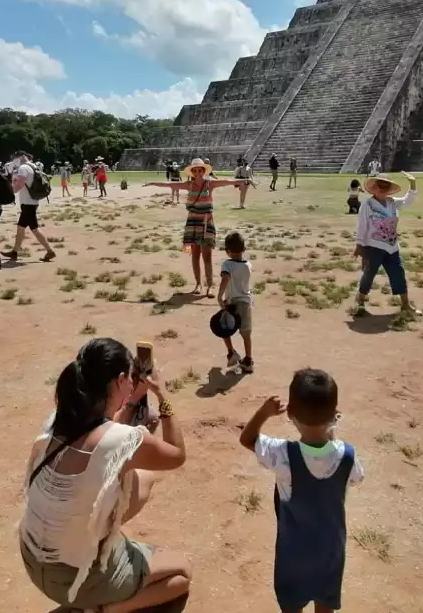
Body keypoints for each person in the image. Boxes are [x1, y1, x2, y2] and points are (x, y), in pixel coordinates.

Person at [20, 338, 191, 612]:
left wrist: (132, 400)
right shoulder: (122, 440)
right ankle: (104, 609)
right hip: (78, 580)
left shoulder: (58, 419)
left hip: (34, 562)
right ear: (122, 378)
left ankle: (109, 566)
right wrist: (163, 394)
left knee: (136, 479)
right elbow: (176, 454)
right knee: (181, 574)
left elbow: (102, 436)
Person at [239, 369, 364, 613]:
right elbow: (356, 479)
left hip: (292, 552)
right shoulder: (347, 455)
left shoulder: (281, 454)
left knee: (291, 605)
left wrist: (264, 413)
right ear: (335, 414)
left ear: (291, 414)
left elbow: (247, 439)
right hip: (330, 549)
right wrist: (331, 431)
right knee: (325, 603)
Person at [144, 158, 250, 297]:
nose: (198, 172)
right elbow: (170, 184)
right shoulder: (189, 185)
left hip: (207, 222)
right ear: (192, 172)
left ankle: (210, 285)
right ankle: (198, 284)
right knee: (195, 255)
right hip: (193, 222)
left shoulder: (209, 184)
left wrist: (244, 181)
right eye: (195, 170)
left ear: (204, 171)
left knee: (207, 255)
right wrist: (152, 183)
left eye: (200, 170)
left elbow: (228, 182)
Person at [354, 173, 421, 316]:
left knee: (398, 273)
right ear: (374, 188)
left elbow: (407, 201)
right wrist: (359, 245)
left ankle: (405, 304)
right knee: (369, 273)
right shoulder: (367, 205)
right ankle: (360, 299)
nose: (383, 189)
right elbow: (362, 225)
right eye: (380, 185)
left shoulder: (392, 202)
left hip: (391, 246)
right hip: (373, 247)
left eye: (386, 186)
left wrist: (413, 184)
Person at [3, 151, 57, 263]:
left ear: (22, 157)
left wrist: (8, 193)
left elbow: (19, 185)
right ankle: (14, 252)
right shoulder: (33, 166)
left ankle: (50, 251)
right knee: (22, 227)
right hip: (32, 201)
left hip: (28, 203)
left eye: (16, 157)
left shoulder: (23, 168)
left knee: (34, 229)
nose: (14, 160)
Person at [217, 231, 254, 374]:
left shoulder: (227, 264)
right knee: (246, 332)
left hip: (232, 302)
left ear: (227, 251)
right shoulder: (248, 265)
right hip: (245, 302)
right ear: (244, 249)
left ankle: (231, 352)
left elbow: (225, 278)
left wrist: (220, 296)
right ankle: (248, 361)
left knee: (223, 327)